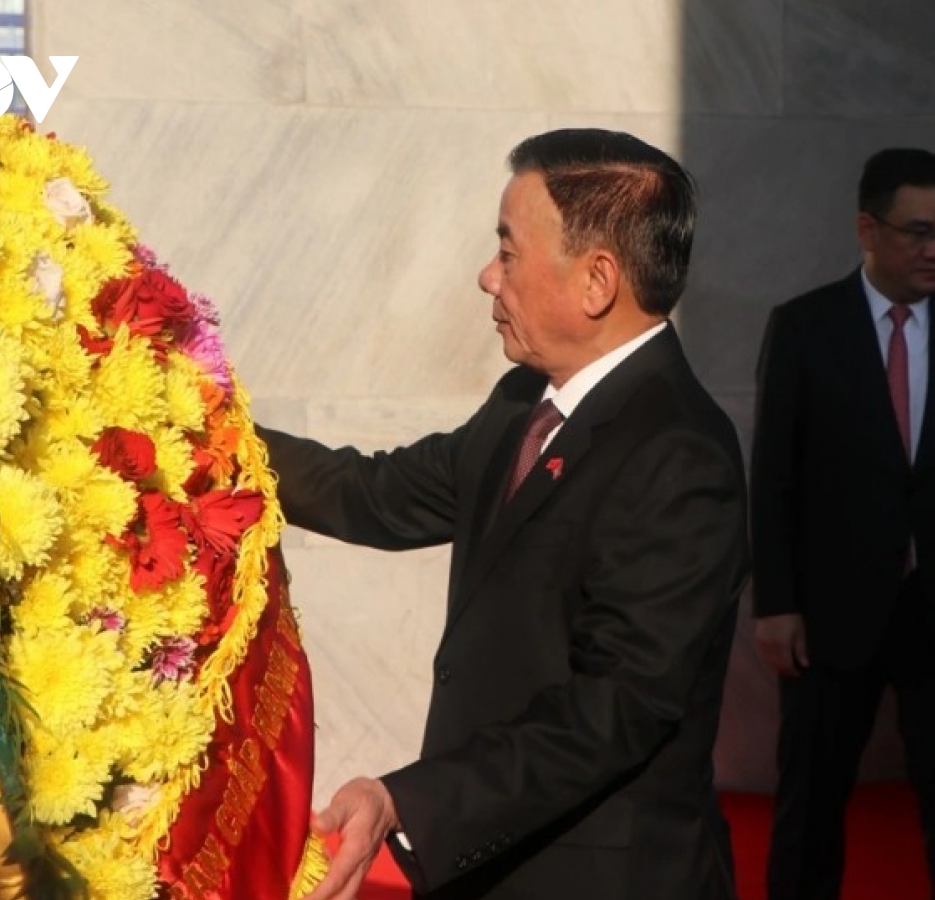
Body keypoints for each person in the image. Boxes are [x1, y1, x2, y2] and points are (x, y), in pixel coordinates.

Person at [264, 129, 750, 900]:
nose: (488, 277)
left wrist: (406, 799)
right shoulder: (525, 401)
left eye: (509, 251)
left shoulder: (681, 454)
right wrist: (198, 431)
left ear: (597, 281)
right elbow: (377, 494)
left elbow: (610, 711)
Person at [751, 148, 935, 900]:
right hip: (829, 613)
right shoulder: (805, 328)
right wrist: (775, 604)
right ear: (867, 230)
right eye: (919, 232)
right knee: (810, 806)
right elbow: (773, 479)